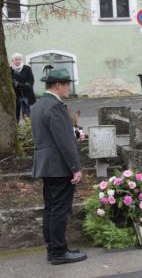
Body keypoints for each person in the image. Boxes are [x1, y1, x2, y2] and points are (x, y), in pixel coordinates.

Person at [30, 68, 87, 265]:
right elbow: (63, 141)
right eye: (67, 84)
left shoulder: (38, 105)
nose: (69, 88)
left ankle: (53, 248)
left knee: (51, 208)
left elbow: (50, 135)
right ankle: (58, 252)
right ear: (58, 85)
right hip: (59, 165)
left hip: (46, 164)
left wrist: (73, 134)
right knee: (60, 210)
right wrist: (75, 167)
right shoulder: (55, 106)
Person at [10, 52, 37, 122]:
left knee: (26, 114)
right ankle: (16, 130)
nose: (17, 61)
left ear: (21, 60)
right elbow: (10, 83)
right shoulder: (10, 70)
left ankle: (28, 130)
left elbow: (31, 81)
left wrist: (19, 85)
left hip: (26, 94)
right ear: (12, 61)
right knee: (15, 114)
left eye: (19, 59)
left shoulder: (27, 68)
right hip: (15, 95)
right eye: (16, 59)